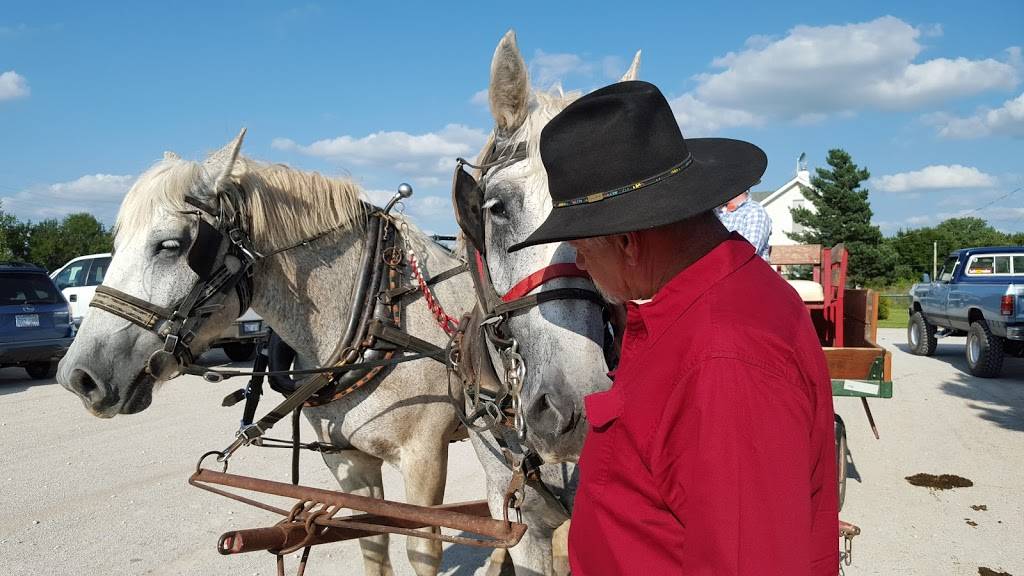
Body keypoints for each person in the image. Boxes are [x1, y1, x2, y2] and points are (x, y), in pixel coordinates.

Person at [508, 81, 838, 575]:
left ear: (627, 241)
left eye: (581, 246)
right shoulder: (697, 313)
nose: (577, 259)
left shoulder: (724, 358)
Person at [717, 189, 772, 260]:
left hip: (746, 268)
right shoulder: (718, 212)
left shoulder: (754, 211)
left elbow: (748, 251)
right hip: (720, 266)